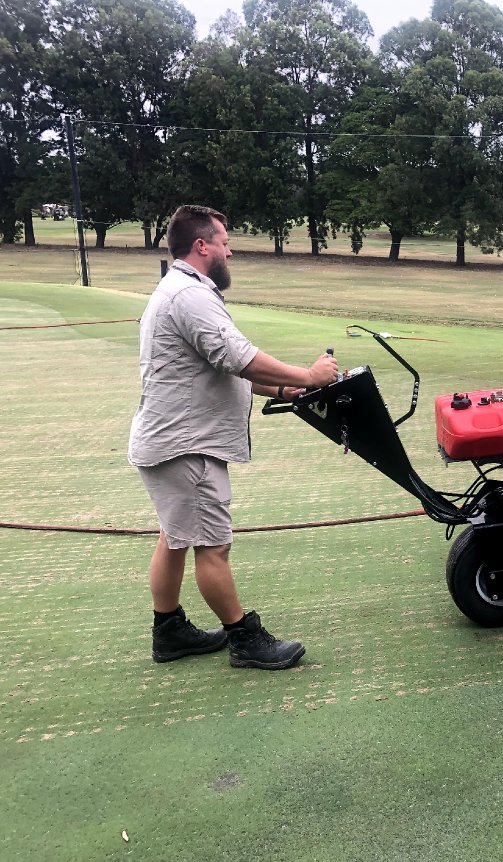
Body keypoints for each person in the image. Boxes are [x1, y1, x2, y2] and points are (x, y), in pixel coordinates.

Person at [129, 204, 341, 669]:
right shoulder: (190, 296)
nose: (230, 252)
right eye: (225, 243)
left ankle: (169, 631)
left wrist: (286, 388)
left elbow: (222, 368)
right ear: (202, 246)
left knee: (175, 537)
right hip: (187, 446)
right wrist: (309, 376)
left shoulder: (176, 289)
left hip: (167, 442)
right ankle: (245, 640)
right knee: (213, 545)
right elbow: (238, 357)